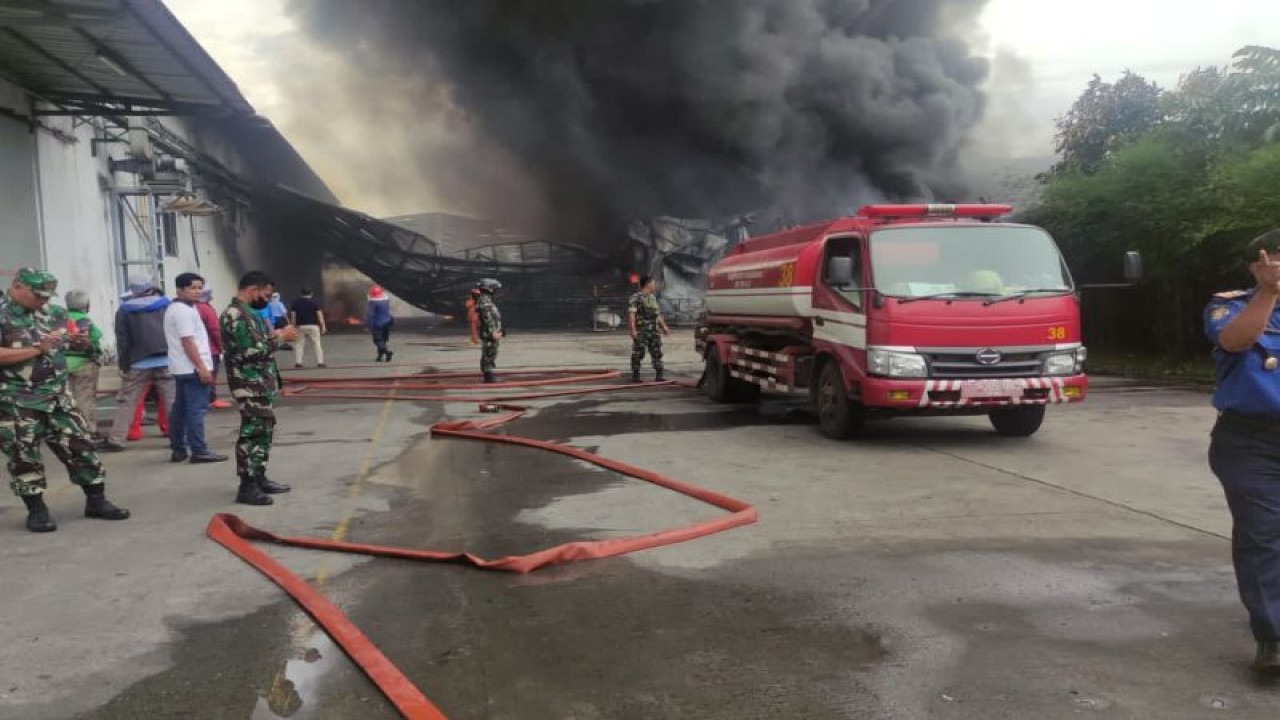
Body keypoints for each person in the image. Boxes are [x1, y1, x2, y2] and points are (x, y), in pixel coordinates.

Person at [0, 268, 129, 532]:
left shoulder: (55, 314)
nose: (43, 301)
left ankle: (96, 500)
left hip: (58, 397)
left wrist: (78, 342)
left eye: (47, 296)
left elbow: (68, 345)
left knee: (80, 446)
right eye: (38, 295)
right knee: (24, 457)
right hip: (17, 401)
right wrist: (38, 349)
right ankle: (37, 511)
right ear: (17, 287)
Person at [1205, 228, 1280, 670]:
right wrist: (1268, 293)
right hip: (1250, 442)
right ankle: (1273, 637)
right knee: (1264, 535)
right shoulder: (1229, 305)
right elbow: (1235, 341)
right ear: (1257, 264)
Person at [221, 271, 297, 505]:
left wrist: (273, 337)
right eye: (266, 293)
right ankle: (247, 485)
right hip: (248, 383)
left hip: (260, 383)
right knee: (252, 433)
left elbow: (260, 347)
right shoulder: (235, 315)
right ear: (254, 289)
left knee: (264, 431)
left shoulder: (250, 314)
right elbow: (249, 352)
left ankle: (258, 475)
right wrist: (281, 338)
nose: (267, 298)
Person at [100, 278, 174, 451]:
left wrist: (124, 365)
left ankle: (117, 439)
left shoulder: (124, 310)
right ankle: (178, 436)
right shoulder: (165, 304)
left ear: (132, 291)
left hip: (138, 362)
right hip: (166, 359)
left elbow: (123, 341)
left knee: (127, 401)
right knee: (171, 399)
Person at [164, 272, 226, 465]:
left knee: (180, 409)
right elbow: (188, 341)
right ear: (180, 289)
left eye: (200, 288)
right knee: (196, 410)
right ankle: (198, 450)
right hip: (192, 368)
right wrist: (202, 367)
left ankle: (179, 449)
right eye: (192, 288)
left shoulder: (177, 309)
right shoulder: (183, 311)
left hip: (181, 367)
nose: (197, 292)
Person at [64, 289, 105, 439]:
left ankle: (69, 429)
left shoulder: (61, 319)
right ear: (86, 304)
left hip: (63, 363)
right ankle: (87, 429)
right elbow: (94, 339)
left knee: (67, 398)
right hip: (84, 363)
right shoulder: (85, 320)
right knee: (85, 398)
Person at [628, 275, 670, 382]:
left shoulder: (652, 297)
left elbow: (657, 314)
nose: (654, 285)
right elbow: (632, 314)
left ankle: (659, 375)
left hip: (654, 330)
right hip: (642, 330)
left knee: (656, 351)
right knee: (638, 352)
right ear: (648, 284)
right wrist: (633, 330)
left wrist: (663, 326)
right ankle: (636, 375)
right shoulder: (636, 298)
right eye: (653, 283)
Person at [197, 286, 231, 409]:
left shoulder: (190, 308)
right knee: (211, 375)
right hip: (211, 349)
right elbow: (215, 330)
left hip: (195, 350)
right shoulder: (206, 309)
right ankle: (211, 399)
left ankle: (202, 399)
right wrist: (222, 345)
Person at [289, 287, 327, 368]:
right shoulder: (315, 302)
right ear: (311, 293)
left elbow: (293, 317)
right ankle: (320, 362)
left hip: (300, 326)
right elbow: (319, 315)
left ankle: (298, 362)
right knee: (316, 343)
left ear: (301, 294)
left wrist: (293, 327)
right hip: (313, 326)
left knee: (299, 344)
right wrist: (323, 326)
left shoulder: (296, 303)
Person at [475, 278, 503, 383]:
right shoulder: (484, 301)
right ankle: (489, 376)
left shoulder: (486, 299)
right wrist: (493, 332)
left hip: (490, 332)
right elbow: (487, 318)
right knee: (489, 352)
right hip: (489, 333)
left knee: (491, 352)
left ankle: (489, 374)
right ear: (489, 289)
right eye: (495, 288)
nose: (496, 291)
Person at [366, 284, 394, 362]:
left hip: (378, 324)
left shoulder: (373, 303)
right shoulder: (385, 300)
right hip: (387, 322)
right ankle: (379, 357)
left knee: (377, 340)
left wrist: (368, 324)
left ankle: (387, 352)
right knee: (383, 340)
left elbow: (370, 314)